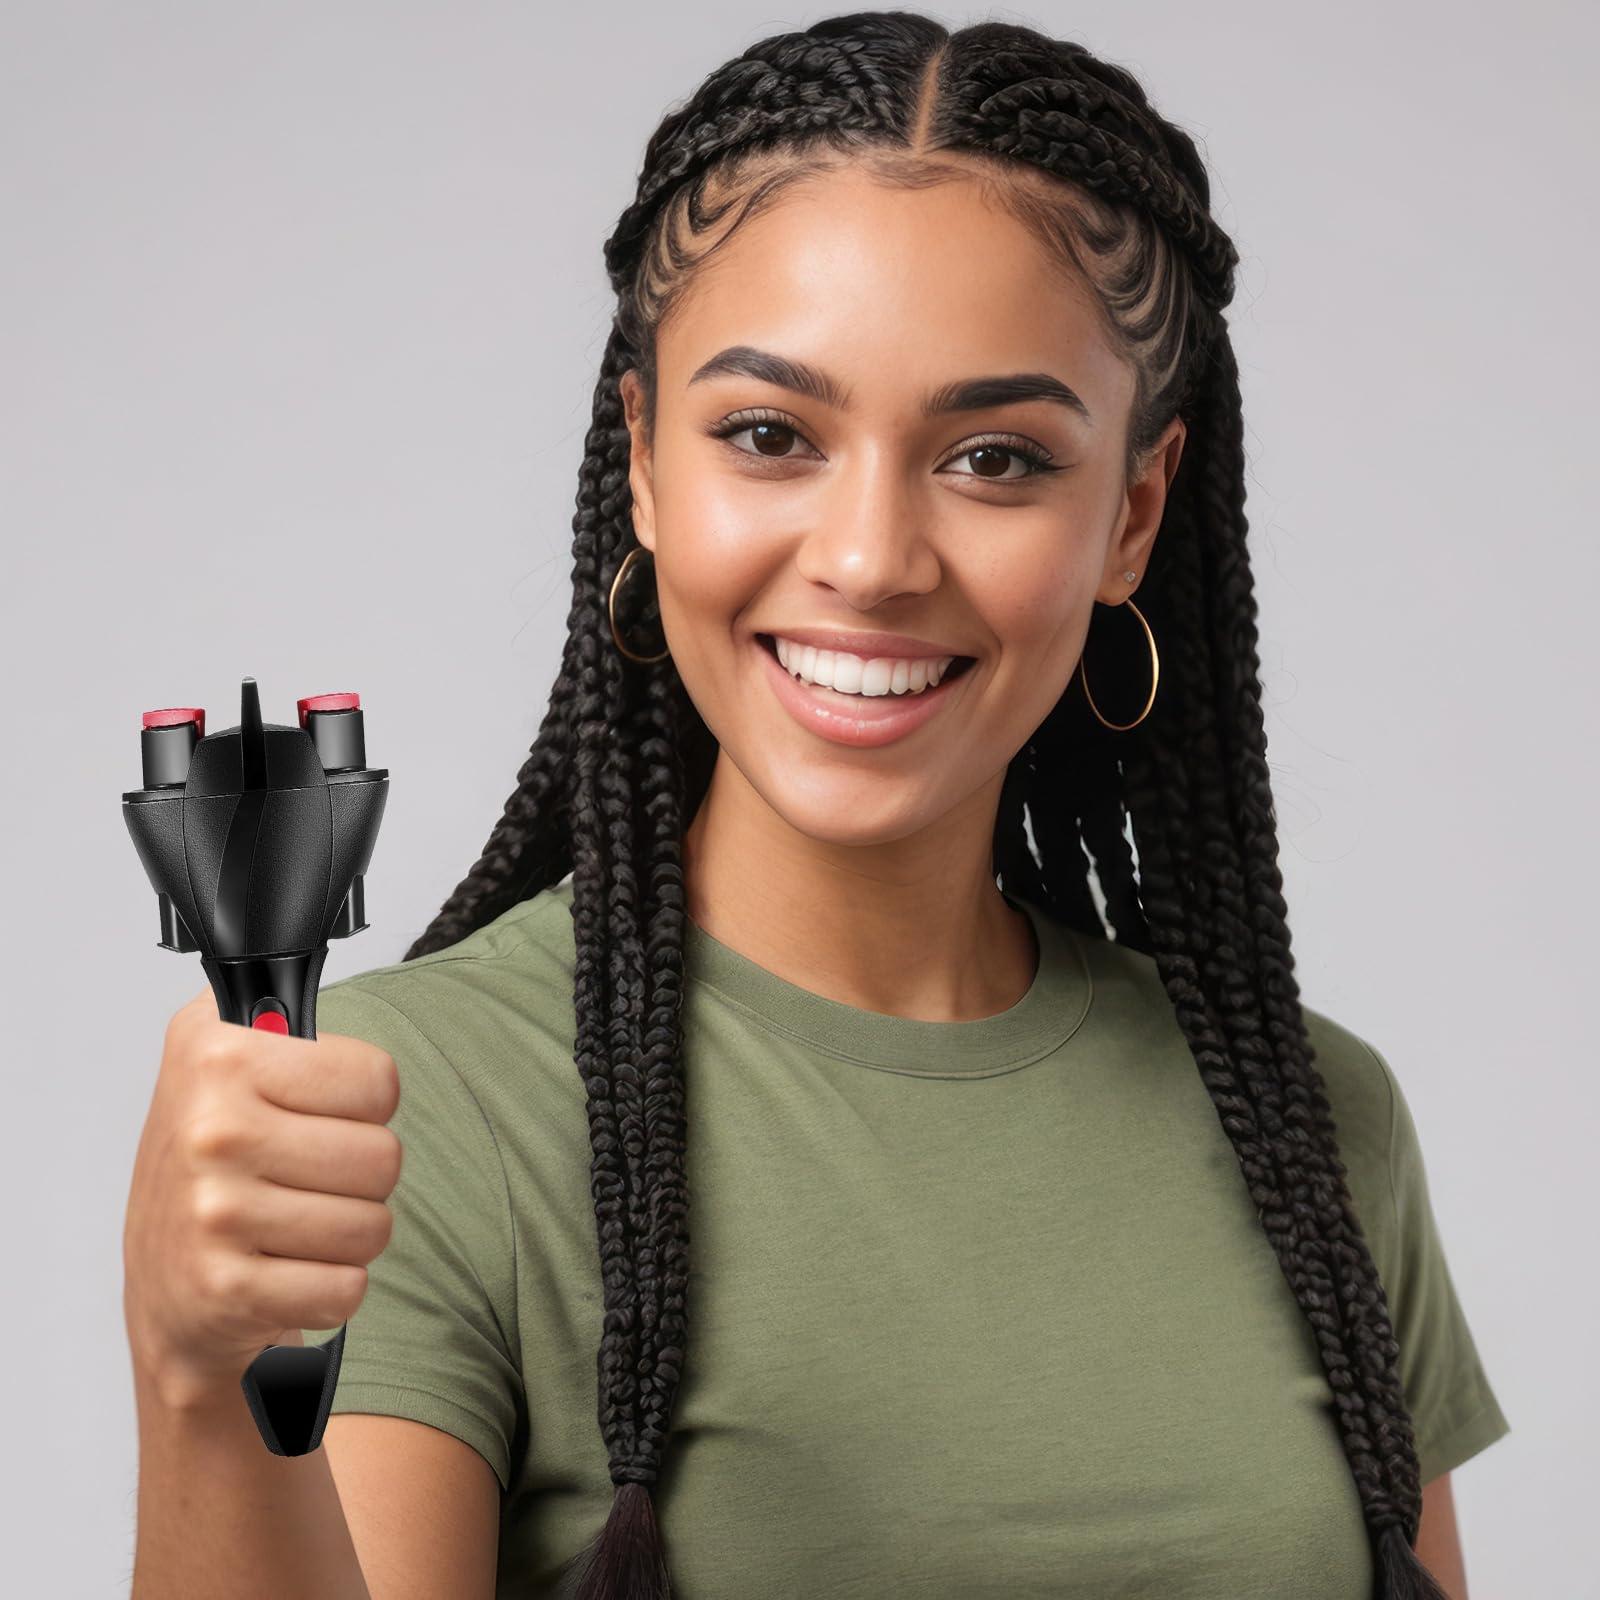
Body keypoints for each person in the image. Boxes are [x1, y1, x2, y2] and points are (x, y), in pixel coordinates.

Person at [130, 12, 1511, 1600]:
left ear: (1133, 512)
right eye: (769, 435)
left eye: (994, 458)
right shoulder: (405, 1112)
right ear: (647, 461)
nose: (870, 558)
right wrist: (201, 1393)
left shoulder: (1320, 1134)